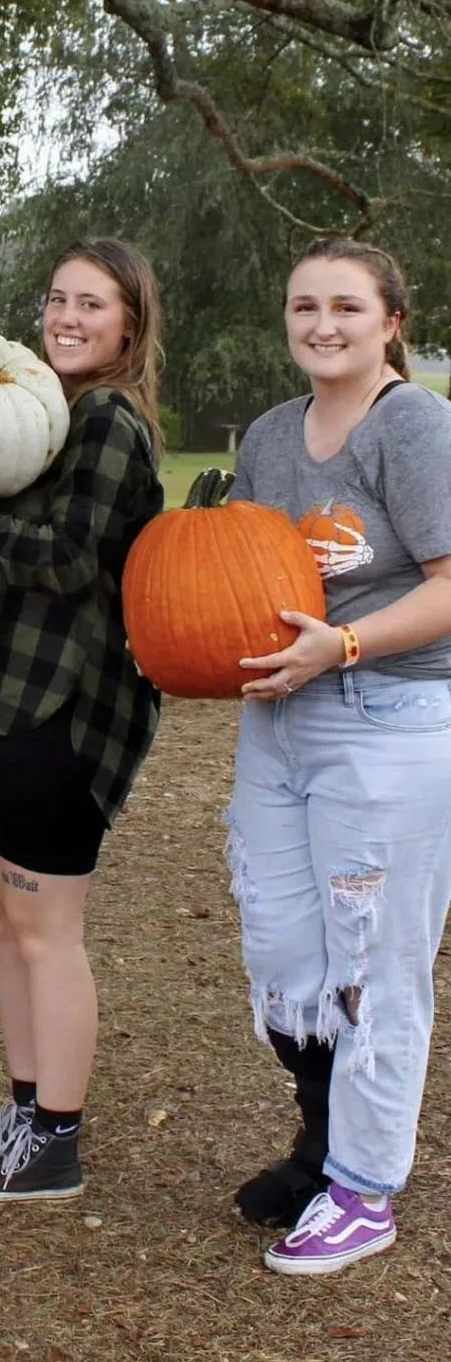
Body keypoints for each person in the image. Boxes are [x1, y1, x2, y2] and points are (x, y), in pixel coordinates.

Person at [0, 237, 164, 1203]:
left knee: (47, 928)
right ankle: (23, 1110)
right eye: (58, 299)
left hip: (67, 703)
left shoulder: (108, 427)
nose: (67, 318)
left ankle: (56, 1140)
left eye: (92, 304)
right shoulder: (36, 418)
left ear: (129, 321)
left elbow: (60, 558)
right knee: (2, 918)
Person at [225, 235, 451, 1275]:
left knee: (372, 968)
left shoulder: (415, 425)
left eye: (347, 308)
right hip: (280, 716)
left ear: (391, 321)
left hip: (388, 714)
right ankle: (321, 1147)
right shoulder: (272, 434)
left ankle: (364, 1188)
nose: (322, 323)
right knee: (286, 960)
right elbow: (238, 565)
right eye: (304, 304)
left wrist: (347, 642)